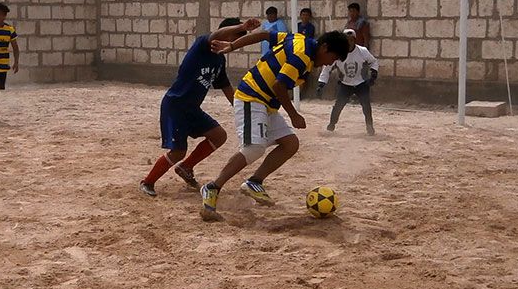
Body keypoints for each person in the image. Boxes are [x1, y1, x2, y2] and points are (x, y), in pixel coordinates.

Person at [199, 29, 350, 221]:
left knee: (290, 144)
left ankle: (254, 182)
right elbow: (279, 85)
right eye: (333, 57)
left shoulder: (299, 39)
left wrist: (232, 46)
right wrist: (294, 115)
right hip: (251, 97)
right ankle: (213, 187)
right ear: (325, 47)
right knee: (254, 149)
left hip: (265, 104)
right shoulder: (301, 56)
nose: (331, 63)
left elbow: (263, 35)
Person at [139, 17, 262, 197]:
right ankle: (148, 182)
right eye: (233, 36)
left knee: (219, 136)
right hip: (176, 105)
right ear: (223, 32)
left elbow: (226, 87)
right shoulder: (202, 45)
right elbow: (216, 35)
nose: (233, 42)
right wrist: (243, 26)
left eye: (237, 39)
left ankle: (186, 167)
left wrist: (242, 108)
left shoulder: (219, 61)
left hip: (192, 109)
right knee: (178, 151)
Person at [317, 28, 379, 135]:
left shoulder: (362, 51)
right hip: (345, 84)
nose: (349, 42)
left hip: (361, 83)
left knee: (366, 105)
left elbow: (373, 62)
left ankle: (369, 125)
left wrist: (373, 75)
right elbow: (327, 69)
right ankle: (332, 124)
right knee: (338, 106)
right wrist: (321, 84)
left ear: (354, 40)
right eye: (346, 40)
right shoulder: (338, 54)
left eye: (351, 40)